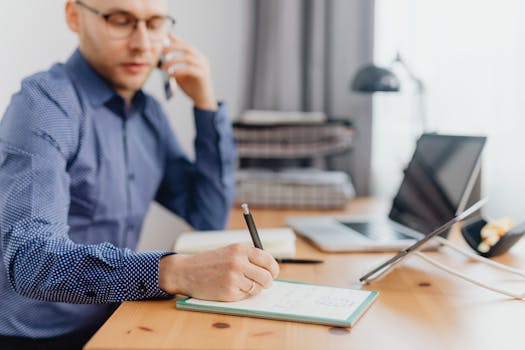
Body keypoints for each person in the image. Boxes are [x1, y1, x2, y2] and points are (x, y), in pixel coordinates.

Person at [0, 0, 279, 348]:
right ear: (74, 16)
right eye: (120, 21)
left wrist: (205, 104)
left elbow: (207, 215)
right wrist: (176, 272)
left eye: (155, 23)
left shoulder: (148, 116)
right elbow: (31, 262)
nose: (143, 44)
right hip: (39, 337)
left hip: (117, 320)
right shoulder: (44, 106)